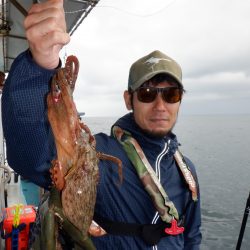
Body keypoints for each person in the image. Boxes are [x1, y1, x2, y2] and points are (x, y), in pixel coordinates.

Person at [1, 0, 201, 249]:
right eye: (148, 93)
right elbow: (31, 156)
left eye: (171, 95)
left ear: (180, 100)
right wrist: (40, 64)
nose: (160, 106)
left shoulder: (187, 172)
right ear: (129, 99)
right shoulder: (98, 157)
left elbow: (192, 235)